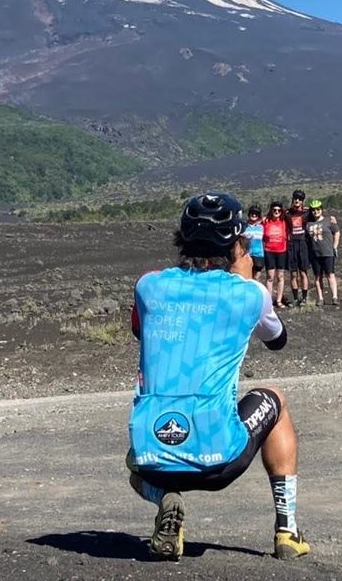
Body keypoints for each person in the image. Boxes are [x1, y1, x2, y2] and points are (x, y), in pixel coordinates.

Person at [127, 192, 310, 561]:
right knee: (273, 396)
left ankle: (165, 499)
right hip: (220, 459)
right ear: (238, 244)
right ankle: (287, 531)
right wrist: (243, 281)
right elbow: (278, 340)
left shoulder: (149, 286)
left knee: (136, 470)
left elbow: (139, 330)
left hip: (151, 459)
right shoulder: (248, 294)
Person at [305, 199, 341, 306]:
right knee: (317, 276)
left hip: (328, 252)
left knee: (330, 274)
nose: (316, 212)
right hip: (314, 254)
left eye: (318, 209)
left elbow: (337, 233)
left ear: (321, 210)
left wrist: (335, 246)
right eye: (314, 210)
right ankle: (320, 298)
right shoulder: (308, 224)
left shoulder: (329, 221)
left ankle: (334, 297)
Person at [261, 200, 289, 307]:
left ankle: (279, 300)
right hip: (269, 251)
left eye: (278, 210)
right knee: (270, 276)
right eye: (274, 210)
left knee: (280, 276)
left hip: (281, 251)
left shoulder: (285, 221)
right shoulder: (265, 221)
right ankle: (269, 301)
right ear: (271, 210)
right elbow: (254, 223)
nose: (276, 212)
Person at [285, 189, 310, 306]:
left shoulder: (307, 213)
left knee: (303, 272)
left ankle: (304, 298)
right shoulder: (287, 213)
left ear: (302, 201)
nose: (297, 200)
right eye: (295, 198)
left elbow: (318, 216)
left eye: (300, 199)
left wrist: (331, 219)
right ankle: (295, 298)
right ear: (293, 199)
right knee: (293, 273)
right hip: (291, 245)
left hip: (303, 244)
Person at [243, 205, 265, 280]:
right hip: (247, 255)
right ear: (249, 214)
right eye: (252, 213)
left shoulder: (261, 227)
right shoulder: (244, 226)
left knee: (256, 278)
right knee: (247, 278)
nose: (254, 215)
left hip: (259, 255)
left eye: (256, 213)